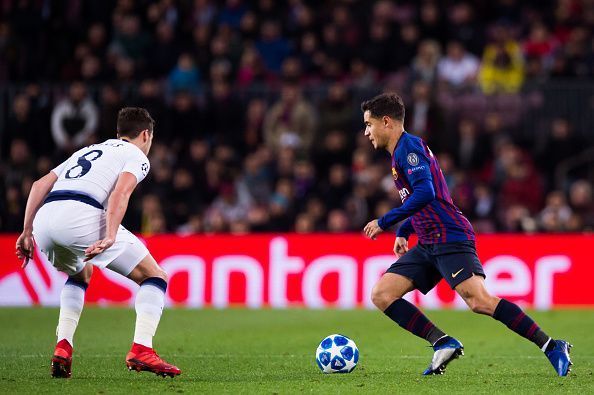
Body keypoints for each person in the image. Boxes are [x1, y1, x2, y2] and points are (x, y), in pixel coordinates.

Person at [360, 93, 572, 376]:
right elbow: (425, 196)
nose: (366, 132)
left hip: (449, 236)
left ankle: (552, 345)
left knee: (479, 301)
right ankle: (442, 342)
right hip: (428, 240)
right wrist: (405, 229)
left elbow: (427, 192)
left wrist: (386, 221)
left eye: (369, 124)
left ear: (386, 121)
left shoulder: (408, 150)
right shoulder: (401, 152)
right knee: (382, 294)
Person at [15, 108, 181, 379]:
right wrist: (111, 234)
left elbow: (38, 185)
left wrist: (26, 231)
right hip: (80, 214)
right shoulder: (136, 155)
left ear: (117, 133)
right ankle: (142, 348)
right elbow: (121, 192)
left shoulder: (86, 150)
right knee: (155, 276)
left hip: (45, 219)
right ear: (145, 135)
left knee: (81, 272)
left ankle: (63, 346)